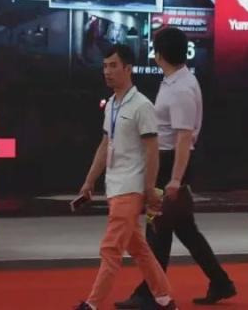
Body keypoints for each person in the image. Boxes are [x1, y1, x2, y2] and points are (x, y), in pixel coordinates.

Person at [115, 27, 236, 309]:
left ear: (159, 55)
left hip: (170, 165)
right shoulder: (174, 82)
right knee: (184, 229)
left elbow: (184, 137)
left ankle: (152, 293)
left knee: (157, 230)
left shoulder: (181, 88)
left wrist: (175, 179)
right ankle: (220, 282)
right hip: (167, 162)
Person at [75, 45, 178, 310]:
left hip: (131, 187)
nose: (107, 71)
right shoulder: (111, 104)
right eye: (105, 66)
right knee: (139, 249)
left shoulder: (142, 105)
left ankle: (92, 304)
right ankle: (165, 300)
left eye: (113, 66)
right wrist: (89, 181)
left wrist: (149, 188)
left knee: (110, 248)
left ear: (128, 69)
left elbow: (152, 151)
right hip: (115, 185)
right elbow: (105, 144)